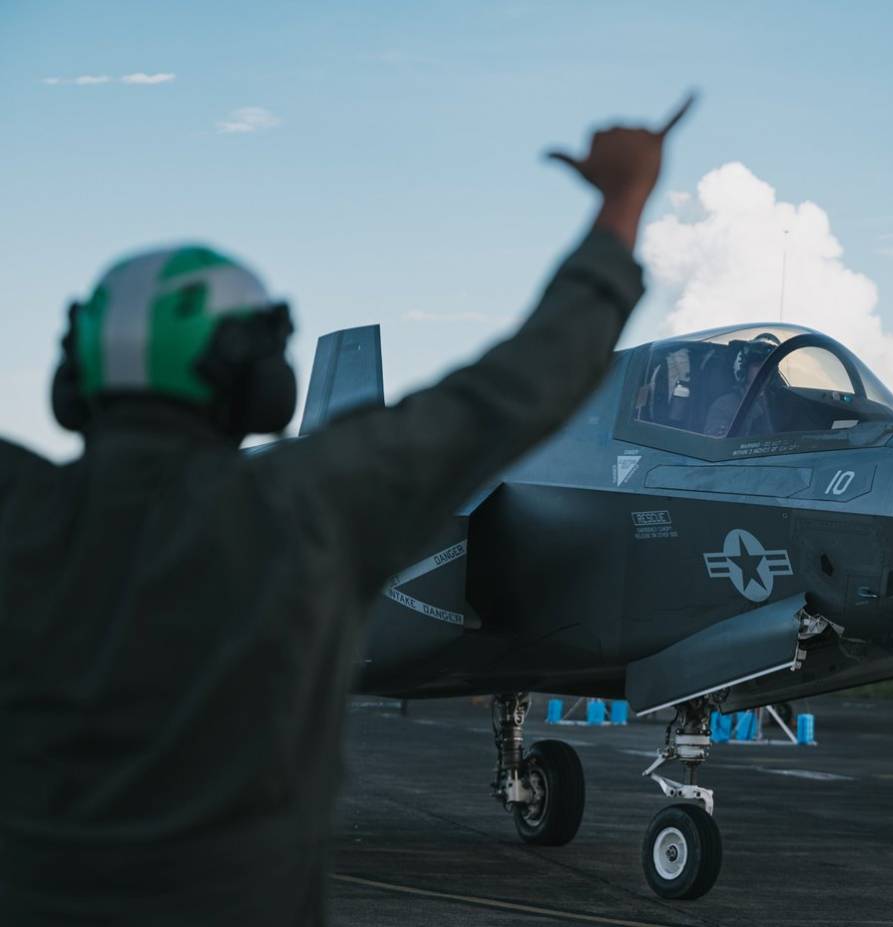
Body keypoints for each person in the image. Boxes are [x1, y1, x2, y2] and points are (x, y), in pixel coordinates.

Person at [0, 97, 692, 926]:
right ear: (260, 384)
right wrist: (621, 201)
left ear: (73, 379)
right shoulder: (311, 502)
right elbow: (524, 380)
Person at [702, 336, 776, 437]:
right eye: (757, 365)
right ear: (744, 369)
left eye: (768, 366)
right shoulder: (725, 406)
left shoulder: (779, 402)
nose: (763, 371)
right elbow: (718, 443)